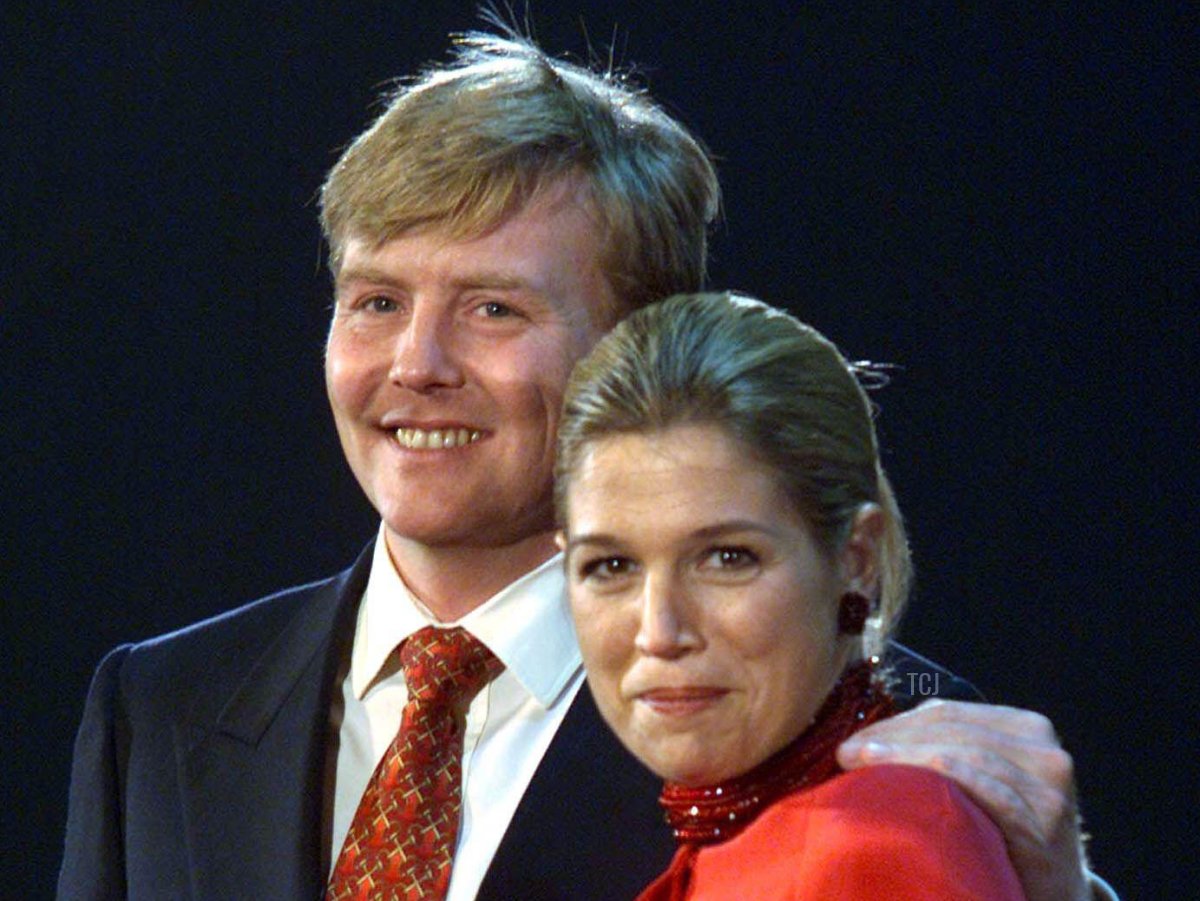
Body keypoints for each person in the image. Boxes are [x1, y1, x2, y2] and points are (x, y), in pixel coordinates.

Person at [58, 29, 1109, 901]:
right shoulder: (160, 705)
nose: (416, 365)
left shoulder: (853, 734)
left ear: (636, 339)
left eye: (493, 308)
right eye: (376, 301)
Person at [556, 291, 1023, 898]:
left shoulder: (877, 847)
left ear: (856, 560)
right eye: (611, 565)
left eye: (727, 558)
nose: (660, 632)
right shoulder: (753, 844)